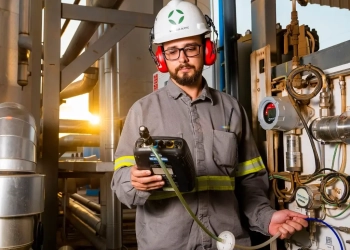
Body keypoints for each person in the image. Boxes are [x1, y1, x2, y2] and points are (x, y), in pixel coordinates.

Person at [111, 0, 308, 249]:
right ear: (161, 58)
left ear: (206, 50)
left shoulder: (232, 109)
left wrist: (266, 218)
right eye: (172, 51)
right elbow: (120, 184)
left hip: (226, 242)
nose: (182, 58)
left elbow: (250, 182)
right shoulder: (142, 111)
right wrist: (133, 181)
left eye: (191, 48)